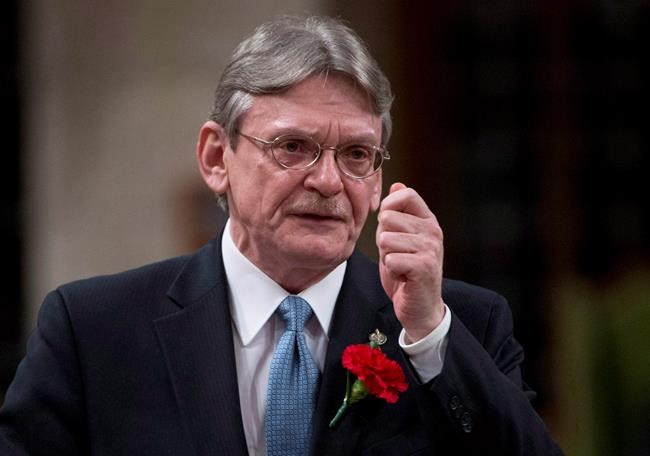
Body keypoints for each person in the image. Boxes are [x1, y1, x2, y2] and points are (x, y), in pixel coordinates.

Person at [0, 15, 562, 455]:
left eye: (356, 154)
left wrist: (429, 335)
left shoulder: (460, 328)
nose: (328, 181)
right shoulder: (93, 331)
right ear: (216, 157)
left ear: (377, 180)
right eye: (293, 147)